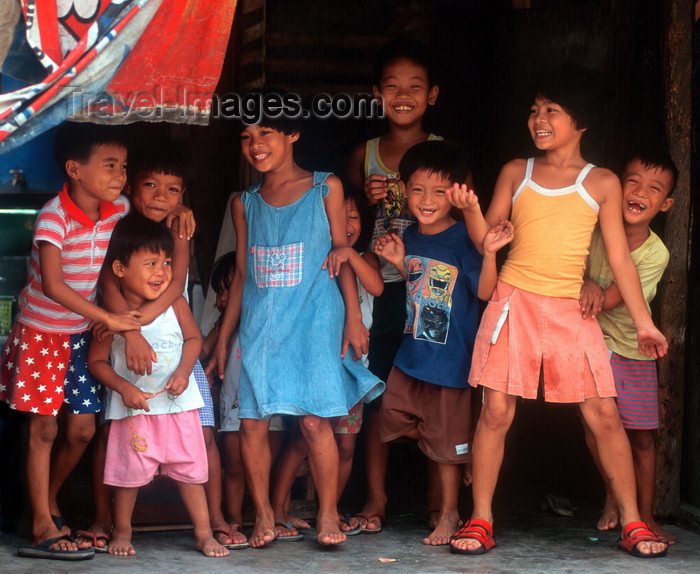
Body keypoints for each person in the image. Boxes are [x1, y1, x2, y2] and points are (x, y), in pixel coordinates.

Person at [448, 69, 669, 558]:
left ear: (581, 122)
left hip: (573, 310)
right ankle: (480, 518)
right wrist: (469, 211)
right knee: (497, 411)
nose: (538, 119)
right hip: (514, 301)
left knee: (605, 414)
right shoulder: (516, 171)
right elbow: (489, 235)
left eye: (551, 110)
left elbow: (619, 260)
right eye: (534, 109)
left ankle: (634, 522)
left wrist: (645, 323)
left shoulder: (603, 182)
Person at [208, 105, 384, 548]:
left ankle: (327, 515)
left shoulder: (325, 187)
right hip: (262, 327)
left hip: (315, 322)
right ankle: (264, 516)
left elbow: (342, 255)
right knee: (252, 424)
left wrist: (354, 318)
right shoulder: (244, 202)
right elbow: (245, 276)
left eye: (266, 133)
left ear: (293, 134)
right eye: (247, 137)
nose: (256, 145)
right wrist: (225, 336)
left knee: (312, 421)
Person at [75, 141, 231, 551]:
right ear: (130, 186)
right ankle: (106, 519)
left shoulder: (179, 228)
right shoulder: (116, 222)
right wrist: (129, 331)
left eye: (173, 189)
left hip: (174, 348)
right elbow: (108, 283)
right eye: (150, 185)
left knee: (203, 435)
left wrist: (141, 322)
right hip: (127, 348)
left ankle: (212, 519)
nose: (161, 197)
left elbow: (176, 286)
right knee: (112, 439)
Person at [0, 123, 139, 560]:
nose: (120, 175)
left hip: (78, 337)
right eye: (110, 166)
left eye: (124, 166)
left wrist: (179, 215)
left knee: (80, 430)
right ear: (75, 169)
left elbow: (148, 221)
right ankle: (42, 522)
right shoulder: (52, 217)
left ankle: (44, 503)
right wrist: (110, 318)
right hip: (41, 333)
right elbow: (54, 286)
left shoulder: (116, 210)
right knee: (43, 428)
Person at [373, 140, 503, 546]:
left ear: (457, 192)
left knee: (445, 445)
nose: (427, 200)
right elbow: (418, 282)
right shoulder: (410, 236)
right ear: (403, 188)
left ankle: (449, 513)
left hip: (450, 362)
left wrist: (492, 254)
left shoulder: (464, 237)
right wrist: (398, 262)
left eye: (439, 191)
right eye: (417, 189)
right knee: (389, 417)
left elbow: (485, 293)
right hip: (412, 356)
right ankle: (459, 449)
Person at [346, 37, 443, 533]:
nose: (402, 94)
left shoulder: (444, 155)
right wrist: (367, 199)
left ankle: (437, 501)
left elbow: (459, 219)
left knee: (435, 389)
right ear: (376, 95)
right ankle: (376, 498)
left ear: (433, 95)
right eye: (392, 86)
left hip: (430, 288)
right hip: (381, 289)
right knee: (377, 391)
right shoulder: (365, 154)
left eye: (415, 86)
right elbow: (345, 224)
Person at [269, 183, 384, 535]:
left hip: (353, 369)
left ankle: (327, 509)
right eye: (340, 217)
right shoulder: (316, 260)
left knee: (346, 444)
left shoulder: (366, 258)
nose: (347, 224)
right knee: (304, 438)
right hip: (318, 364)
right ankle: (277, 510)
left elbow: (377, 287)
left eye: (354, 217)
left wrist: (349, 254)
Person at [579, 151, 677, 544]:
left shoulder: (656, 252)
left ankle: (646, 516)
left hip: (632, 351)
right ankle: (616, 496)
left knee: (641, 436)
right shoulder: (591, 229)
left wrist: (590, 287)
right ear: (618, 188)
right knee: (596, 427)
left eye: (654, 189)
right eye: (632, 182)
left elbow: (614, 297)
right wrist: (581, 282)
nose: (639, 193)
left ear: (666, 204)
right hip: (590, 342)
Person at [207, 252, 286, 545]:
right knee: (235, 464)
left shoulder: (270, 321)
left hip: (270, 402)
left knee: (271, 461)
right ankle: (234, 517)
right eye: (221, 291)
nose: (226, 297)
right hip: (235, 407)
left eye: (232, 288)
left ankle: (273, 514)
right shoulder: (222, 329)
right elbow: (202, 352)